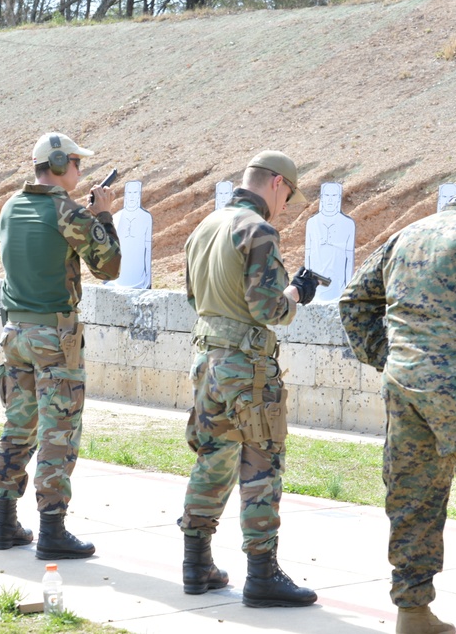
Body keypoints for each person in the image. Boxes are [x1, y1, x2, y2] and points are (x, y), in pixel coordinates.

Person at [339, 164, 456, 634]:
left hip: (405, 390)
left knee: (412, 495)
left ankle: (413, 612)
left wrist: (389, 357)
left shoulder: (408, 234)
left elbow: (353, 300)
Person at [180, 151, 318, 607]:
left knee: (212, 458)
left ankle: (196, 562)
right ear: (277, 183)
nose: (286, 207)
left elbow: (193, 296)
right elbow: (270, 310)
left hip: (208, 362)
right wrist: (297, 292)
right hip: (248, 368)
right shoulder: (258, 230)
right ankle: (262, 574)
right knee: (262, 466)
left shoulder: (205, 226)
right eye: (289, 196)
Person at [0, 132, 121, 560]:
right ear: (61, 164)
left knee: (17, 427)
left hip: (15, 334)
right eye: (77, 164)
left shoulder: (11, 206)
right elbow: (110, 267)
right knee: (58, 433)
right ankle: (51, 528)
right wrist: (103, 218)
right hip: (54, 338)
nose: (80, 172)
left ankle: (4, 522)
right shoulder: (67, 211)